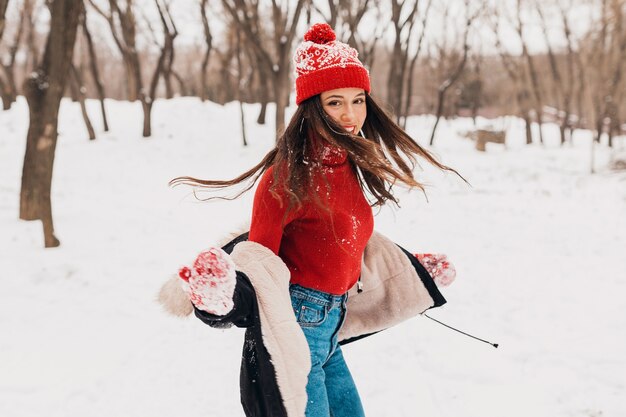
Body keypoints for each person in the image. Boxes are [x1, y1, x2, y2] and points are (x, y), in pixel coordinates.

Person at [161, 23, 458, 417]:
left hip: (333, 322)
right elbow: (259, 265)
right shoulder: (286, 178)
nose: (351, 115)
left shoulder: (349, 163)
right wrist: (222, 297)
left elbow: (348, 237)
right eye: (335, 102)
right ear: (313, 107)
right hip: (297, 324)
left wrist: (413, 270)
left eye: (358, 100)